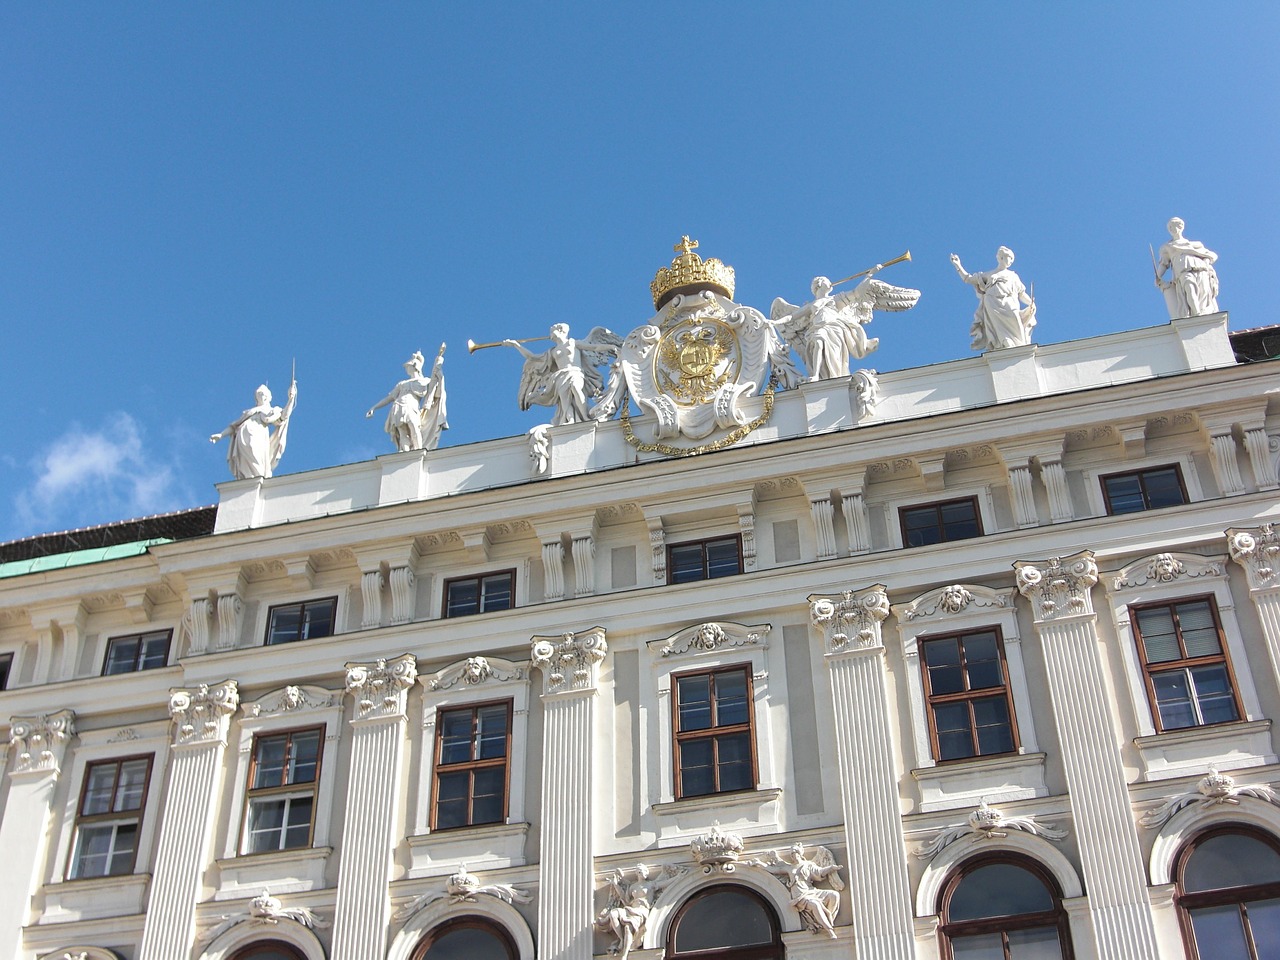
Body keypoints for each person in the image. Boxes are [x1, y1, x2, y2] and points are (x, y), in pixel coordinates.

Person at [770, 270, 920, 382]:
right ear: (820, 285)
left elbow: (856, 293)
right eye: (826, 281)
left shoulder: (836, 299)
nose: (830, 283)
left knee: (831, 356)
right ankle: (815, 375)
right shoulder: (813, 305)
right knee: (817, 341)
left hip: (834, 330)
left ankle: (831, 379)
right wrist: (774, 322)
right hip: (817, 329)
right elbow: (791, 317)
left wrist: (869, 276)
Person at [504, 323, 620, 426]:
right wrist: (516, 345)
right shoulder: (552, 351)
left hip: (575, 373)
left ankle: (585, 417)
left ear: (561, 331)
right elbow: (532, 357)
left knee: (576, 388)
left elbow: (595, 347)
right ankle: (569, 419)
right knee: (565, 399)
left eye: (552, 331)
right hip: (560, 376)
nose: (550, 334)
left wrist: (610, 347)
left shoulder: (573, 343)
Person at [951, 247, 1036, 351]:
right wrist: (958, 265)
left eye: (1012, 259)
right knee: (998, 328)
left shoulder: (1013, 276)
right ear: (1001, 257)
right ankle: (1004, 343)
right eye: (1009, 257)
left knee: (1015, 320)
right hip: (992, 302)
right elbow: (968, 279)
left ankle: (1017, 346)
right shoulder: (989, 274)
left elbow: (1021, 294)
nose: (1010, 261)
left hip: (1009, 302)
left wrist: (1030, 303)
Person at [209, 379, 297, 480]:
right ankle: (247, 481)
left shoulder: (272, 411)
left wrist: (291, 399)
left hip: (257, 438)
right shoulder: (249, 412)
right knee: (245, 465)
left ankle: (257, 480)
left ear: (269, 397)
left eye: (264, 394)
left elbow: (284, 416)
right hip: (242, 440)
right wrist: (221, 435)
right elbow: (234, 426)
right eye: (259, 394)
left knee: (257, 460)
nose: (262, 396)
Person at [365, 347, 447, 452]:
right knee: (402, 431)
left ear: (414, 366)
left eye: (408, 366)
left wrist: (437, 365)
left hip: (411, 407)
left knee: (414, 428)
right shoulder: (402, 383)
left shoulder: (424, 381)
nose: (406, 368)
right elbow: (389, 398)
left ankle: (418, 451)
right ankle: (405, 452)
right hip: (398, 406)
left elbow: (433, 387)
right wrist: (374, 407)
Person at [755, 843, 844, 938]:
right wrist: (760, 864)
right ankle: (829, 930)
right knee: (815, 905)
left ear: (800, 854)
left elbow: (820, 872)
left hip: (811, 891)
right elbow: (774, 870)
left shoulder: (808, 865)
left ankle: (827, 920)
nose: (794, 856)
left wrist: (831, 868)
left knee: (834, 895)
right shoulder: (789, 867)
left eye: (795, 853)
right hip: (800, 896)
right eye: (792, 854)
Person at [1156, 217, 1219, 319]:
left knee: (1202, 292)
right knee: (1189, 288)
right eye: (1170, 227)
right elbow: (1164, 264)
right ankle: (1196, 313)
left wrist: (1207, 264)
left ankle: (1202, 314)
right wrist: (1158, 276)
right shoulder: (1167, 247)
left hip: (1200, 268)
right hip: (1182, 271)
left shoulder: (1196, 244)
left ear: (1181, 227)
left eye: (1175, 226)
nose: (1172, 229)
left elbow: (1210, 256)